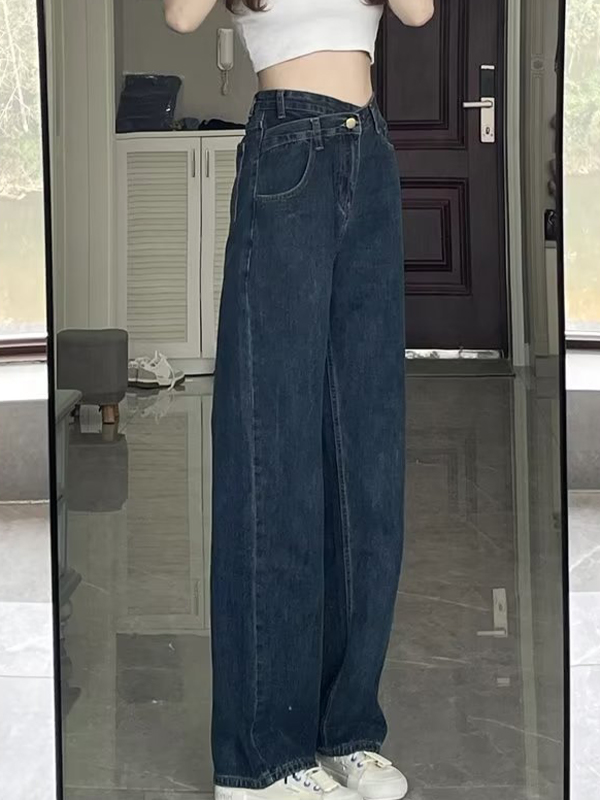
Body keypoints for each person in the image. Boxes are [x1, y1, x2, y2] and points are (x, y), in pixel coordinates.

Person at [164, 2, 434, 799]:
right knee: (273, 455)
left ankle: (346, 731)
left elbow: (418, 11)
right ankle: (260, 760)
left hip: (369, 152)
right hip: (288, 149)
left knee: (368, 466)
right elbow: (180, 17)